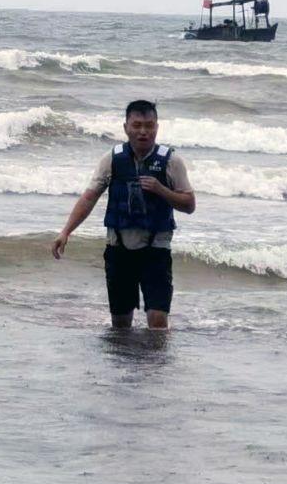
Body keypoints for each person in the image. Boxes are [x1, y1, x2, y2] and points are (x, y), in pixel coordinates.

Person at [50, 99, 197, 329]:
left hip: (156, 249)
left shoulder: (171, 161)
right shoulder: (113, 159)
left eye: (149, 126)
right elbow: (89, 197)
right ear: (126, 127)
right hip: (118, 247)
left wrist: (161, 190)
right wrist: (66, 231)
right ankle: (122, 365)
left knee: (158, 320)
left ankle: (156, 364)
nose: (143, 132)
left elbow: (189, 204)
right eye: (137, 125)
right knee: (120, 324)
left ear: (157, 127)